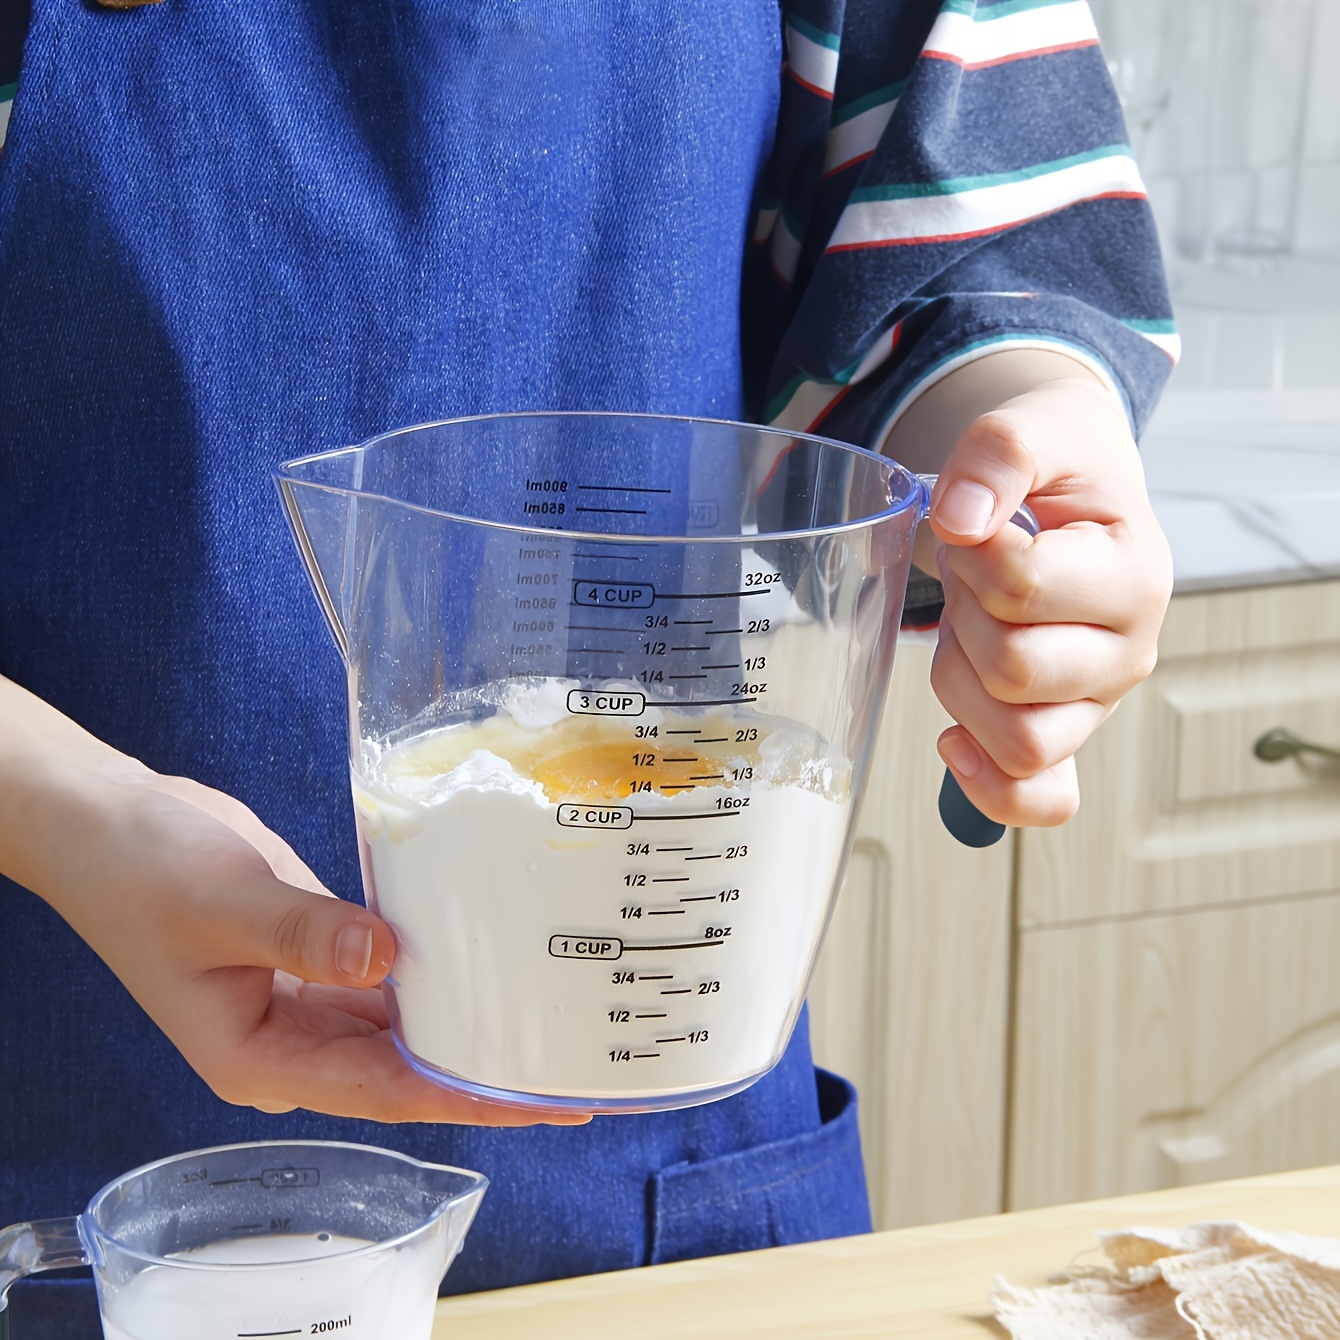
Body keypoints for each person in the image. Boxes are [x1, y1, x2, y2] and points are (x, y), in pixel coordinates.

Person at [0, 0, 1174, 1333]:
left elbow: (962, 263)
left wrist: (1030, 451)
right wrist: (56, 805)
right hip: (71, 1194)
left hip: (676, 1182)